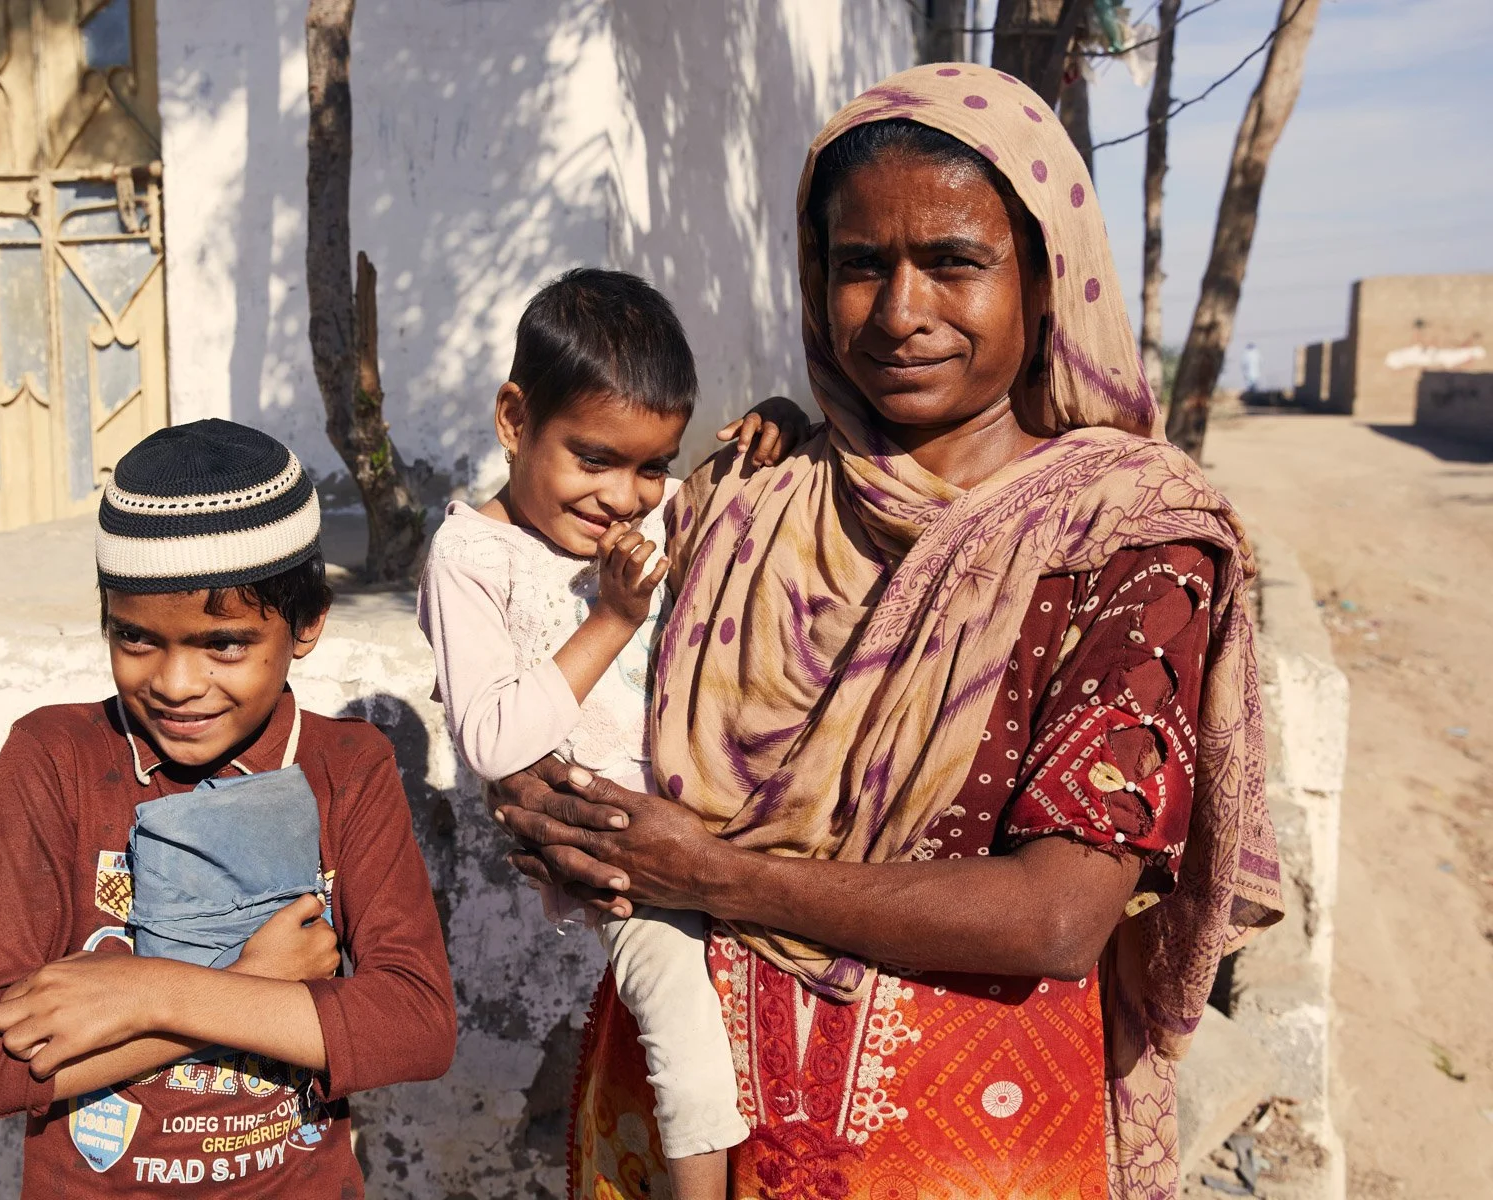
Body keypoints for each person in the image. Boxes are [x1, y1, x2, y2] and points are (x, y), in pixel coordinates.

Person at [492, 64, 1283, 1199]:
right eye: (861, 265)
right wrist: (546, 804)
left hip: (966, 1138)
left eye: (954, 262)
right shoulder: (745, 495)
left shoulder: (1128, 540)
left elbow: (1061, 913)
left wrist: (711, 873)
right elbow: (571, 693)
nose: (901, 312)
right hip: (679, 1121)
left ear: (1046, 279)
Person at [0, 420, 455, 1196]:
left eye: (225, 645)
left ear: (307, 623)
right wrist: (250, 980)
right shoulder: (56, 761)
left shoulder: (347, 767)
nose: (176, 684)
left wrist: (149, 991)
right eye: (136, 639)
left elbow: (416, 1027)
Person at [417, 268, 804, 1200]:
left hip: (723, 808)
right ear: (515, 420)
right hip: (624, 856)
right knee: (681, 1020)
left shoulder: (634, 513)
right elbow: (495, 741)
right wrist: (613, 621)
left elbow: (713, 489)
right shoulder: (472, 559)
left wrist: (780, 416)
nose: (624, 497)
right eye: (594, 459)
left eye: (650, 465)